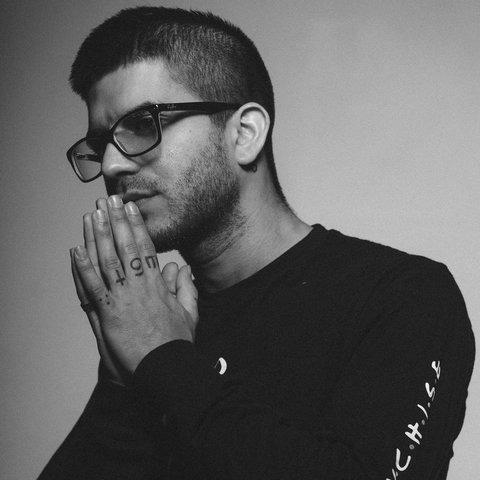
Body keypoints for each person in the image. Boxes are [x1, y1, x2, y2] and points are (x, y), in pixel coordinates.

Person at [39, 6, 475, 480]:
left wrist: (163, 360)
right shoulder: (157, 316)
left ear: (244, 134)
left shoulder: (403, 296)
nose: (111, 166)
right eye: (101, 144)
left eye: (143, 125)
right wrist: (122, 385)